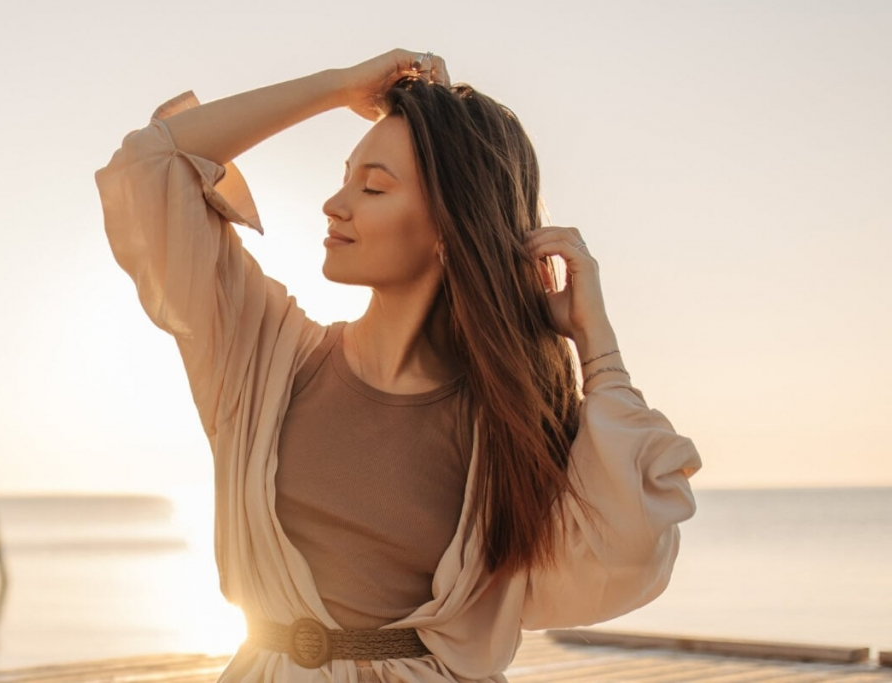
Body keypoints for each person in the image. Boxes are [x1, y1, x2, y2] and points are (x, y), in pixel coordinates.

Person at [94, 48, 702, 683]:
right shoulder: (263, 355)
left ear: (448, 227)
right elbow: (151, 164)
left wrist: (594, 341)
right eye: (345, 176)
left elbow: (630, 552)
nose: (335, 203)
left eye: (373, 186)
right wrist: (339, 87)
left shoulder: (510, 422)